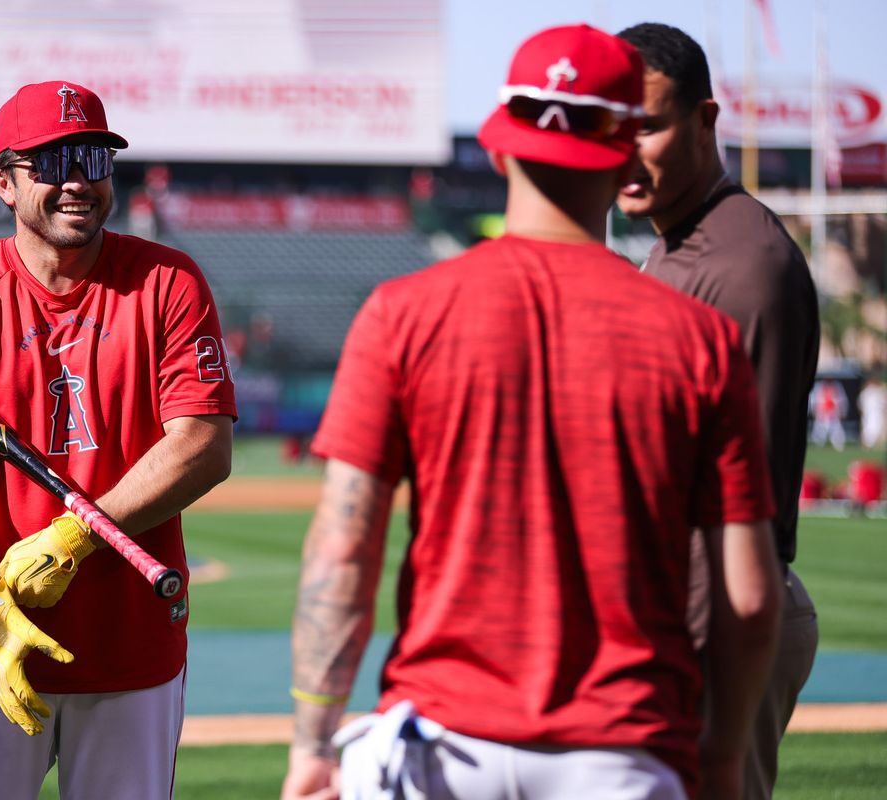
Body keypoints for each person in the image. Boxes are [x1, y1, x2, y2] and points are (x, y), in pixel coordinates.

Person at [281, 24, 783, 800]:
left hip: (440, 746)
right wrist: (720, 755)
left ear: (498, 148)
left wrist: (313, 743)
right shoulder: (701, 340)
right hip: (625, 748)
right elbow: (749, 597)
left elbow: (342, 552)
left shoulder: (402, 312)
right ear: (623, 155)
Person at [0, 80, 236, 800]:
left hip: (132, 650)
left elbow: (203, 444)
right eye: (50, 162)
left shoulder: (168, 282)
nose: (76, 179)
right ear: (3, 183)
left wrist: (76, 537)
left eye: (92, 158)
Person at [615, 23, 822, 800]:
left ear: (705, 121)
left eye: (651, 125)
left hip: (715, 626)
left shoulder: (744, 267)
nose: (627, 150)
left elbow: (748, 517)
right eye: (613, 128)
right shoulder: (675, 243)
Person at [809, 378, 848, 450]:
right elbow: (814, 401)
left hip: (833, 415)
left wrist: (842, 411)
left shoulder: (837, 386)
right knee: (819, 433)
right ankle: (818, 446)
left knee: (837, 432)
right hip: (822, 415)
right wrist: (814, 411)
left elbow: (842, 400)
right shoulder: (819, 386)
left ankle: (839, 446)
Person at [858, 374, 886, 449]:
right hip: (869, 414)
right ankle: (866, 446)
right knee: (868, 430)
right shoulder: (866, 392)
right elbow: (861, 404)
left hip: (878, 414)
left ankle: (875, 445)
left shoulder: (880, 391)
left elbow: (884, 403)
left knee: (877, 429)